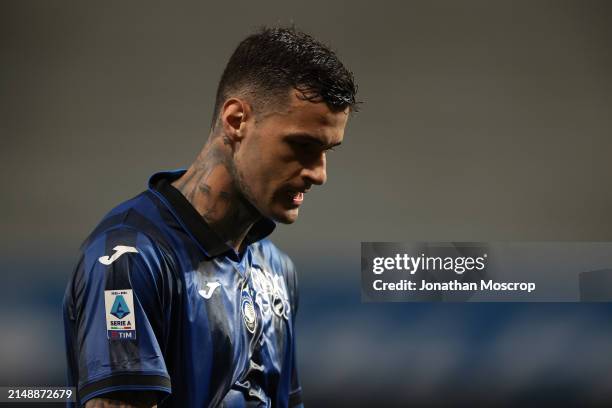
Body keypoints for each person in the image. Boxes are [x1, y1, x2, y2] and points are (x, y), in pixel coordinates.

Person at [62, 26, 358, 408]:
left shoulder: (277, 272)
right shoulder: (129, 259)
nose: (319, 173)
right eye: (301, 145)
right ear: (236, 121)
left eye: (327, 151)